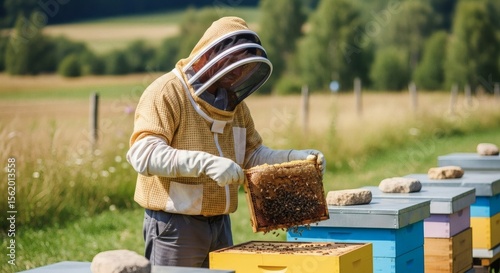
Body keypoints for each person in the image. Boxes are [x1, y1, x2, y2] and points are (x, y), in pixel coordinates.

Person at [126, 16, 325, 268]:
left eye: (244, 67)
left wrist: (293, 158)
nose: (238, 73)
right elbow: (143, 154)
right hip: (175, 225)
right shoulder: (166, 92)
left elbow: (251, 155)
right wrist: (205, 163)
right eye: (233, 64)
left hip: (220, 222)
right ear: (208, 57)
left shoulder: (235, 106)